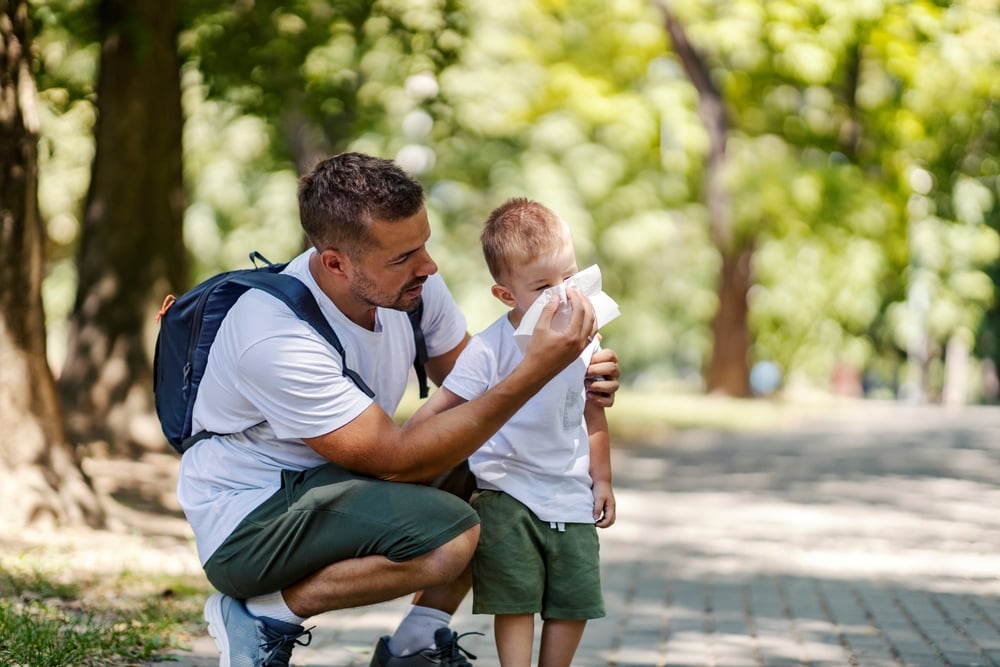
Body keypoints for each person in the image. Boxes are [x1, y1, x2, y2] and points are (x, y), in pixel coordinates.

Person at [174, 152, 621, 667]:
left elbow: (479, 391)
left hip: (332, 487)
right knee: (450, 536)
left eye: (424, 244)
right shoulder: (274, 334)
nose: (428, 266)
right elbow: (394, 458)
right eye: (403, 256)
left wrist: (578, 377)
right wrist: (536, 370)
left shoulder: (413, 289)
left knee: (493, 471)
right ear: (336, 262)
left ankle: (416, 642)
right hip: (252, 522)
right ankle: (262, 615)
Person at [405, 198, 617, 667]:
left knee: (573, 598)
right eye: (543, 286)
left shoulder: (585, 337)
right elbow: (435, 412)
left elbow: (592, 413)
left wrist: (601, 479)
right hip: (506, 492)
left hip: (570, 493)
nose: (562, 294)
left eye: (570, 276)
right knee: (515, 598)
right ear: (507, 295)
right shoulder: (488, 349)